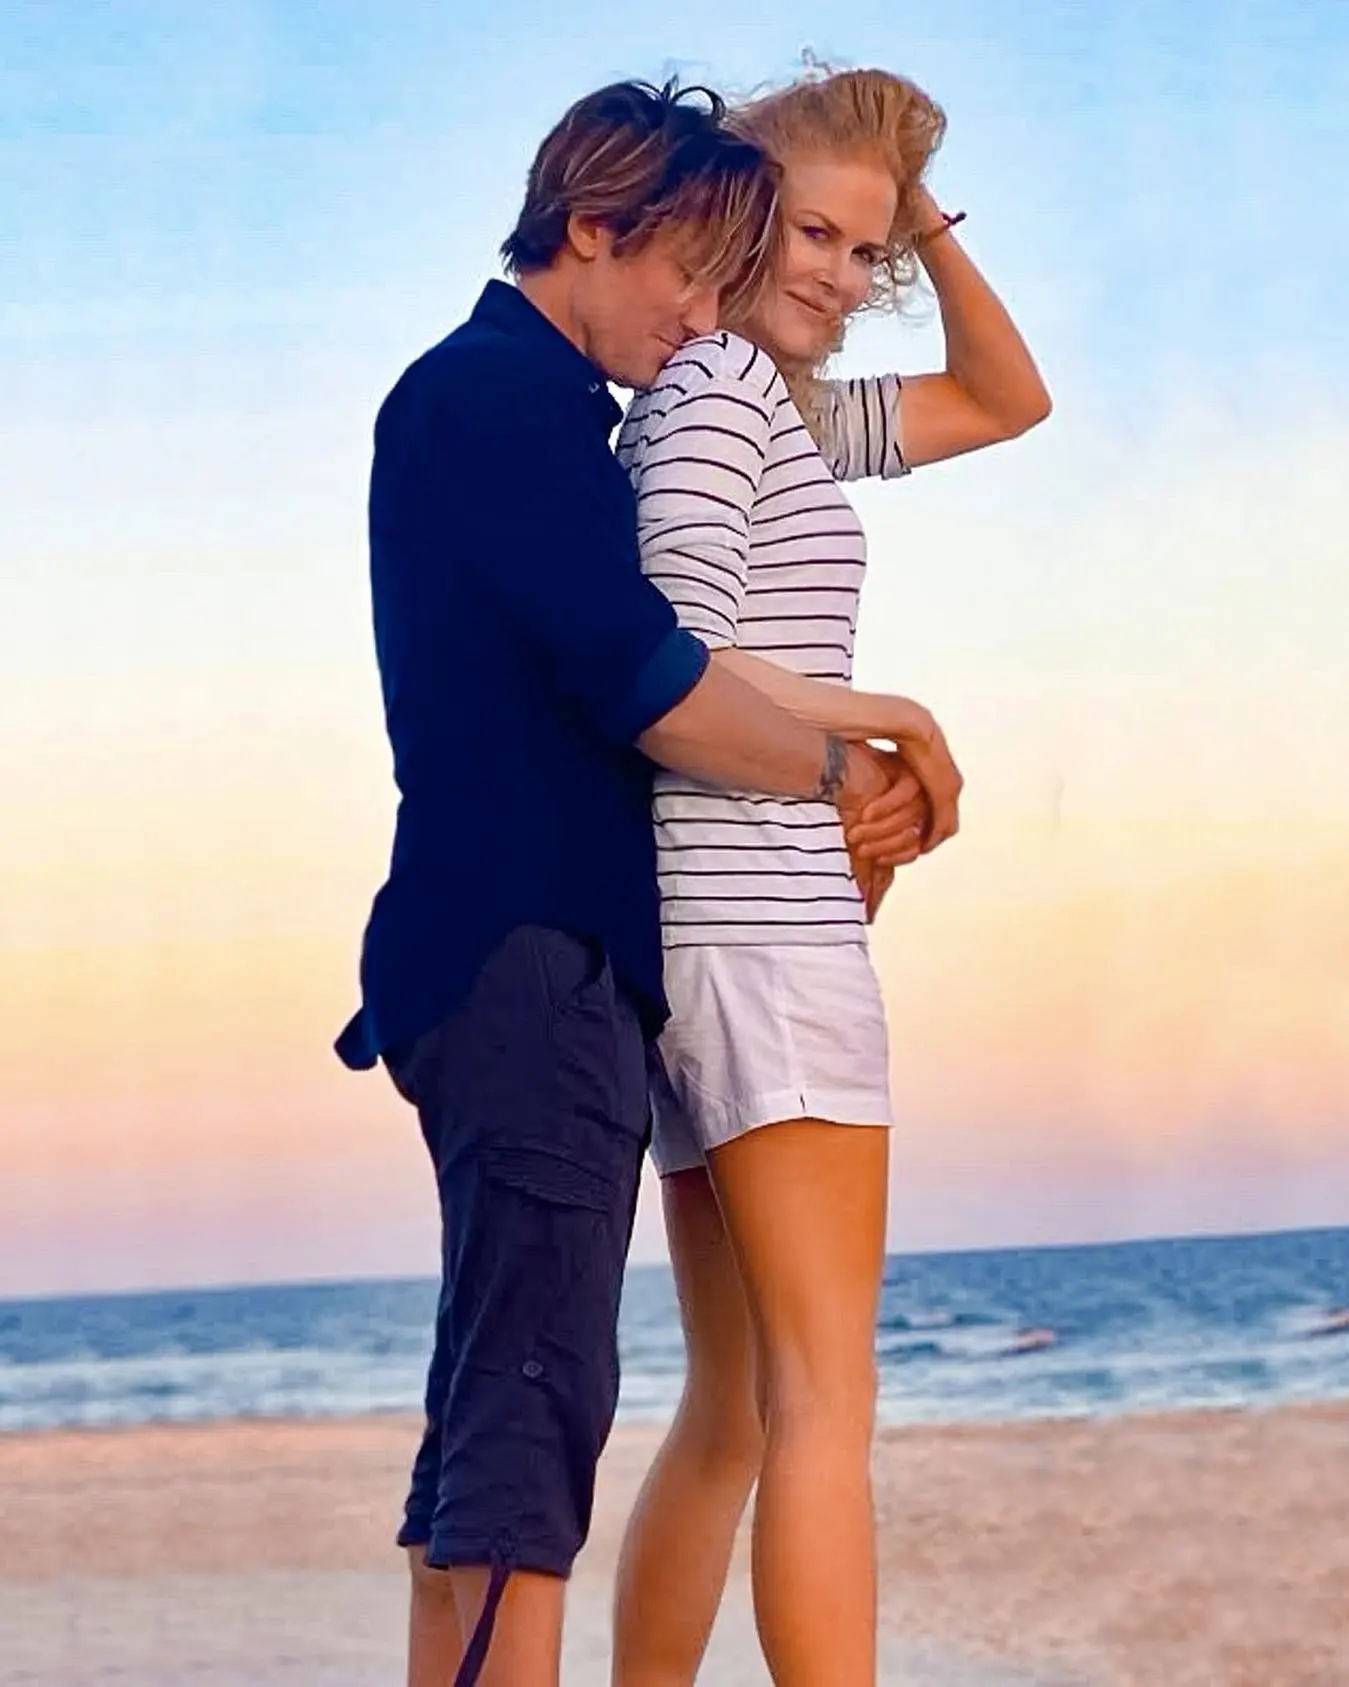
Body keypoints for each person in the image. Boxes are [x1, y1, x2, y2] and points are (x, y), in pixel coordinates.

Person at [332, 79, 942, 1687]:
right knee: (527, 1433)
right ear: (591, 230)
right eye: (685, 271)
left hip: (549, 964)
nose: (698, 315)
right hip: (529, 960)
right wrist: (852, 762)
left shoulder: (540, 412)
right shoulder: (492, 403)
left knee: (506, 1424)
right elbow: (651, 678)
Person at [610, 66, 1051, 1687]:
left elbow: (1009, 400)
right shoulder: (723, 388)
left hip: (712, 934)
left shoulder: (782, 406)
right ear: (728, 207)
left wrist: (910, 199)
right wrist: (895, 721)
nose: (839, 276)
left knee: (732, 1407)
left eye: (868, 255)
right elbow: (673, 658)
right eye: (810, 229)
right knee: (821, 1400)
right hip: (763, 931)